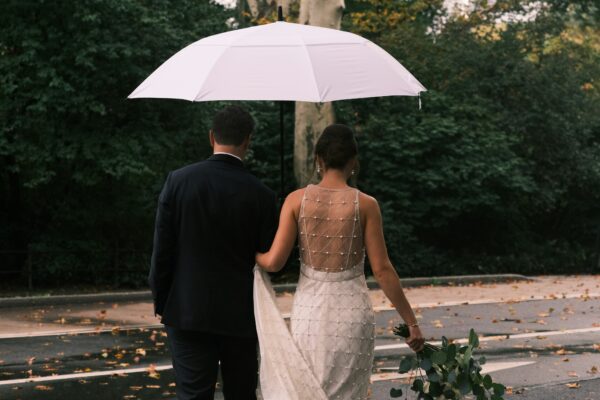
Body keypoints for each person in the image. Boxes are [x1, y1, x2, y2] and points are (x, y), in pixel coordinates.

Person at [254, 124, 425, 399]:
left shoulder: (296, 200)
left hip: (310, 311)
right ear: (354, 162)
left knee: (308, 388)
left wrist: (253, 254)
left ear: (318, 159)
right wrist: (411, 322)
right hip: (351, 312)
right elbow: (382, 269)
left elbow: (274, 262)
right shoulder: (367, 204)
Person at [148, 105, 278, 400]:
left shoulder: (178, 181)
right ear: (248, 140)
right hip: (241, 314)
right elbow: (273, 262)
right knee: (241, 393)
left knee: (193, 394)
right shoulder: (262, 195)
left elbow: (163, 249)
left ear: (211, 137)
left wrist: (161, 298)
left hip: (187, 308)